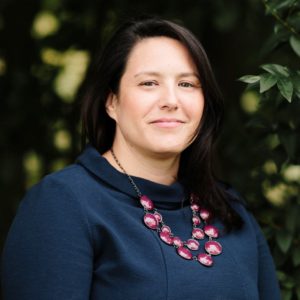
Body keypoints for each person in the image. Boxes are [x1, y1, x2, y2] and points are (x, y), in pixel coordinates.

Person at [1, 16, 280, 300]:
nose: (171, 100)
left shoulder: (230, 210)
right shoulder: (63, 204)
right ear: (112, 102)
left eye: (187, 84)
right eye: (149, 83)